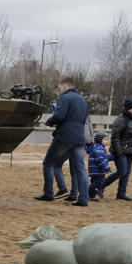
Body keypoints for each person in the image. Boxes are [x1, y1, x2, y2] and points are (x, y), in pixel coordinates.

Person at [34, 77, 89, 206]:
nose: (59, 90)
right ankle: (83, 198)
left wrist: (49, 122)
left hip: (65, 136)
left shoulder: (65, 98)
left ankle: (48, 194)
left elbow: (59, 115)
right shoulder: (82, 100)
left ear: (64, 86)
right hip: (80, 137)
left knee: (48, 163)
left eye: (59, 88)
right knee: (80, 168)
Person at [102, 98, 132, 201]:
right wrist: (119, 152)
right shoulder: (121, 119)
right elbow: (115, 137)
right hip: (121, 151)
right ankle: (100, 186)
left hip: (129, 152)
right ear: (130, 109)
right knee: (122, 172)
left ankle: (121, 194)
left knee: (126, 173)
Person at [87, 131, 112, 201]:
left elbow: (105, 157)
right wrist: (106, 167)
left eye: (108, 139)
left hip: (97, 170)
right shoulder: (99, 148)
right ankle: (85, 191)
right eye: (105, 139)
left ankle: (91, 196)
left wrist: (112, 157)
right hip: (97, 170)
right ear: (99, 140)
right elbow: (100, 160)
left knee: (97, 183)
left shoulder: (100, 148)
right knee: (98, 183)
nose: (107, 141)